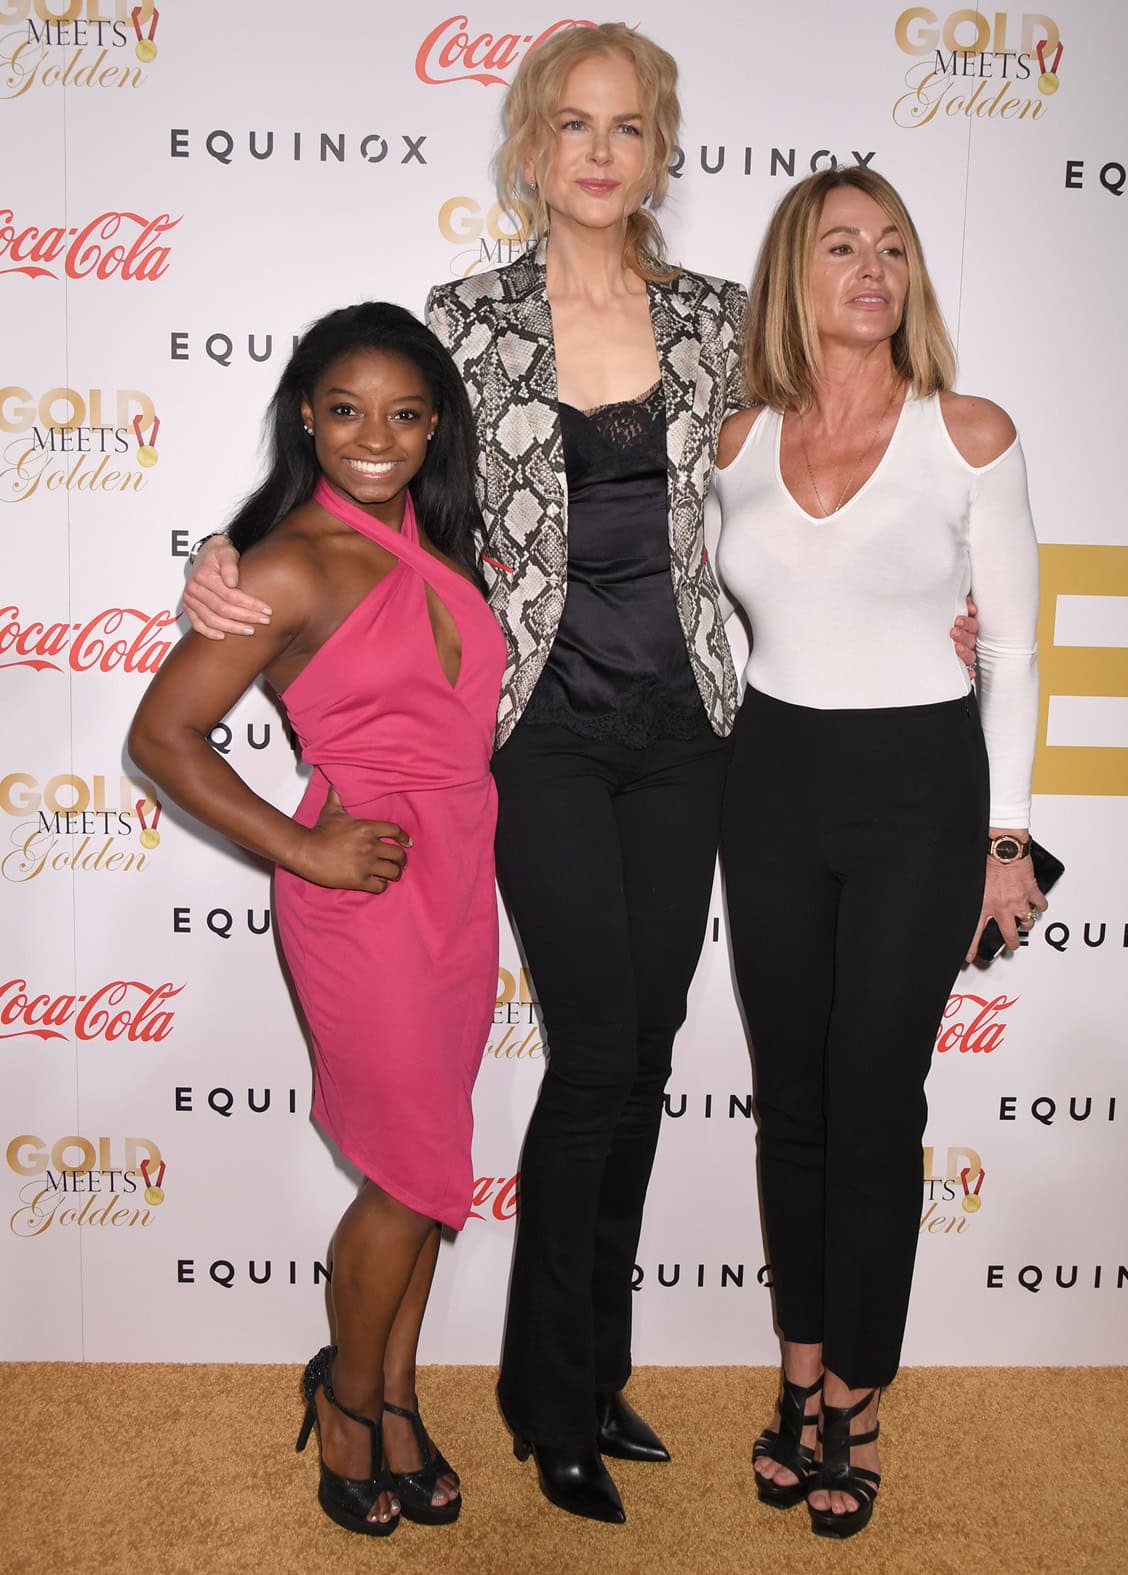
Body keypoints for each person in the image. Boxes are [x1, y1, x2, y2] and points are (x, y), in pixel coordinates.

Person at [180, 28, 976, 1527]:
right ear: (532, 145)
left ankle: (600, 1365)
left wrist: (948, 575)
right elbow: (372, 488)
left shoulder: (723, 320)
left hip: (692, 731)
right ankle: (546, 1395)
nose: (600, 151)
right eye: (573, 124)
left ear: (661, 149)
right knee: (597, 1052)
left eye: (629, 127)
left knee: (655, 1046)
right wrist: (226, 554)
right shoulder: (466, 322)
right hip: (536, 731)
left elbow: (832, 460)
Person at [130, 303, 506, 1538]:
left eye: (404, 413)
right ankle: (347, 1409)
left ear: (436, 422)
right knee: (402, 1180)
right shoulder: (287, 561)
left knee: (430, 1162)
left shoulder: (445, 540)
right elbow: (159, 736)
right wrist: (299, 845)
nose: (375, 437)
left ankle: (395, 1399)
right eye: (346, 410)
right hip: (366, 889)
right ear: (305, 412)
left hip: (460, 877)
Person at [711, 166, 1045, 1540]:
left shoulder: (968, 431)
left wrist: (1005, 838)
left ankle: (858, 1386)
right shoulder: (732, 439)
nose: (873, 268)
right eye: (842, 245)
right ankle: (798, 1376)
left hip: (919, 786)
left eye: (894, 247)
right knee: (791, 1096)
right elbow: (711, 624)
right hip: (771, 778)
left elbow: (1014, 645)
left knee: (874, 1096)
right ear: (796, 270)